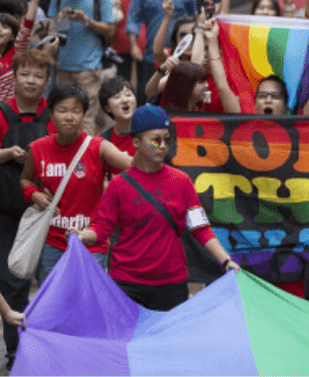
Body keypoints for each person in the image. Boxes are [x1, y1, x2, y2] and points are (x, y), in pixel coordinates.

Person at [67, 104, 240, 311]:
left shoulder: (181, 181)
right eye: (156, 140)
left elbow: (201, 229)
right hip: (126, 282)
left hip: (171, 284)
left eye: (167, 140)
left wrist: (226, 261)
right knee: (126, 342)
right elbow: (102, 226)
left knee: (167, 343)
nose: (164, 146)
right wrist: (83, 236)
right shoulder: (118, 185)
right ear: (136, 142)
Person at [19, 83, 132, 285]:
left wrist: (151, 141)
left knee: (88, 303)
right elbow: (25, 179)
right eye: (62, 110)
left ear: (84, 115)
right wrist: (33, 194)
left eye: (76, 111)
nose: (69, 117)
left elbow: (134, 167)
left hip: (91, 243)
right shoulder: (37, 149)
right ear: (51, 114)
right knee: (52, 306)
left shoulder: (98, 147)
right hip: (53, 243)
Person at [0, 49, 52, 369]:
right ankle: (15, 350)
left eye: (38, 76)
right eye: (25, 74)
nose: (31, 81)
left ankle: (49, 347)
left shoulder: (55, 112)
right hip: (6, 211)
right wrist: (7, 154)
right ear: (14, 77)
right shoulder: (3, 112)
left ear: (47, 81)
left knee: (50, 281)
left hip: (47, 213)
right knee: (12, 282)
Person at [48, 0, 115, 135]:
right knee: (63, 116)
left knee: (85, 117)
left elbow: (110, 30)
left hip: (89, 68)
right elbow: (58, 34)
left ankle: (87, 157)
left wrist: (87, 20)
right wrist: (61, 20)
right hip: (63, 66)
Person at [127, 0, 198, 105]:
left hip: (181, 58)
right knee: (148, 99)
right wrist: (133, 45)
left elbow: (198, 18)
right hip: (152, 57)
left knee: (180, 100)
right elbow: (133, 19)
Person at [98, 76, 137, 177]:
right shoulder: (102, 141)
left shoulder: (149, 135)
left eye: (128, 95)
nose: (124, 100)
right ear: (107, 108)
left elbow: (158, 146)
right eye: (117, 97)